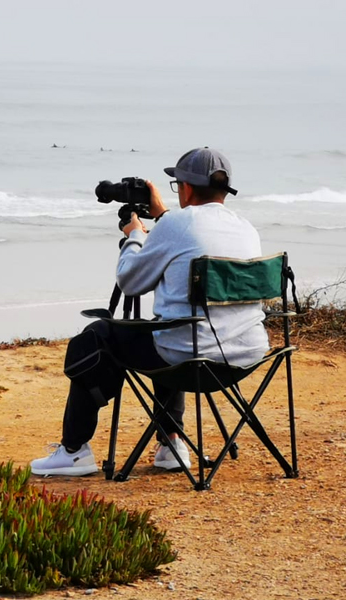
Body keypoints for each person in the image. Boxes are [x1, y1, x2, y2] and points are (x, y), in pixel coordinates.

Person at [30, 147, 269, 477]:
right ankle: (172, 443)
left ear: (185, 188)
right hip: (244, 356)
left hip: (190, 356)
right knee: (171, 331)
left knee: (97, 336)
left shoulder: (176, 225)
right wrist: (163, 216)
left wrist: (135, 236)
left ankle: (74, 451)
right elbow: (193, 232)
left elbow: (130, 281)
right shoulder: (246, 228)